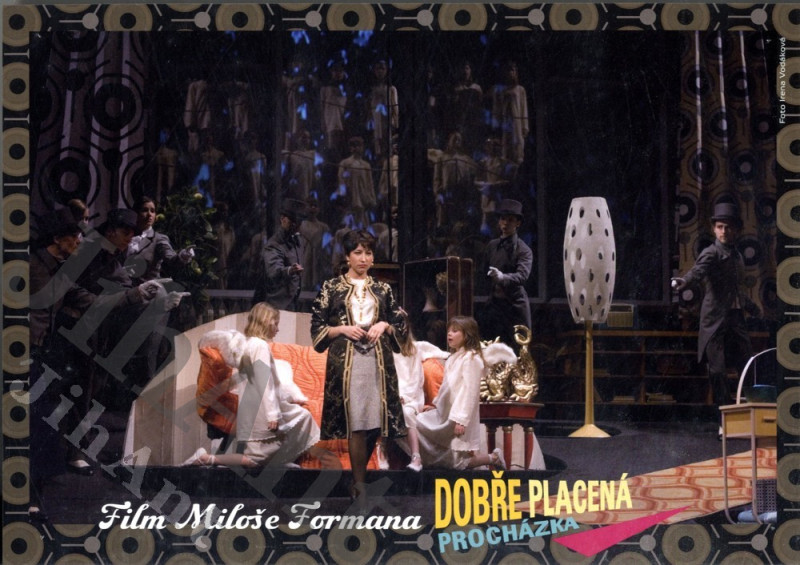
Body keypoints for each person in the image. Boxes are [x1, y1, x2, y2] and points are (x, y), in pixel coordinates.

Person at [310, 229, 407, 509]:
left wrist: (384, 325)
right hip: (348, 362)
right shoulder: (332, 288)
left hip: (377, 361)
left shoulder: (383, 289)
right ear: (347, 256)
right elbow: (317, 328)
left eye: (368, 253)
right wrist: (341, 329)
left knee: (375, 422)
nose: (363, 258)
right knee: (357, 423)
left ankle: (356, 479)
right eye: (358, 253)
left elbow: (399, 324)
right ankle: (361, 487)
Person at [186, 303, 321, 467]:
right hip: (261, 410)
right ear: (266, 322)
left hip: (253, 407)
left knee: (303, 418)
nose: (277, 329)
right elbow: (264, 381)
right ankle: (206, 458)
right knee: (254, 459)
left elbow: (252, 378)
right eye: (276, 323)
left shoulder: (250, 344)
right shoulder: (260, 346)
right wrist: (272, 413)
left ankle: (277, 462)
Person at [28, 208, 96, 518]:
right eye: (75, 236)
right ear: (58, 238)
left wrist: (138, 296)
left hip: (42, 355)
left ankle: (34, 492)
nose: (79, 241)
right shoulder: (30, 265)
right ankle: (27, 495)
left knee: (42, 422)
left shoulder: (60, 270)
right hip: (23, 353)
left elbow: (88, 299)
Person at [672, 202, 760, 431]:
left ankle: (748, 417)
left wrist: (751, 306)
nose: (724, 231)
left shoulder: (737, 256)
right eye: (720, 227)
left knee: (748, 367)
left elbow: (735, 289)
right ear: (714, 229)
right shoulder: (711, 252)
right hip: (714, 320)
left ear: (736, 229)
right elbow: (697, 271)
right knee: (718, 371)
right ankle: (725, 420)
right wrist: (684, 281)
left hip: (735, 319)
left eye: (728, 227)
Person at [414, 316, 506, 470]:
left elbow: (470, 391)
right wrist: (436, 405)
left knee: (456, 461)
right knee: (415, 423)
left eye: (455, 331)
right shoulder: (453, 358)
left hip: (457, 415)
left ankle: (493, 458)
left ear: (467, 334)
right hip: (445, 413)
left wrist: (461, 420)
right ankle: (493, 458)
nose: (449, 334)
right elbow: (446, 388)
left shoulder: (472, 359)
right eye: (449, 330)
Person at [479, 199, 533, 349]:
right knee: (491, 346)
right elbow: (483, 272)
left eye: (510, 220)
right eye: (503, 219)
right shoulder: (492, 246)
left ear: (518, 223)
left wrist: (502, 277)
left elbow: (522, 276)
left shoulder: (523, 249)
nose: (505, 223)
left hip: (515, 306)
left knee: (518, 348)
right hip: (495, 305)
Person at [125, 196, 195, 285]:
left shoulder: (158, 239)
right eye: (145, 210)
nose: (149, 214)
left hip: (149, 290)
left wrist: (184, 255)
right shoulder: (125, 236)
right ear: (136, 213)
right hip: (124, 289)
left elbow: (172, 259)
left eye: (152, 211)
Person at [256, 198, 308, 311]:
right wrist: (290, 270)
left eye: (298, 222)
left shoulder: (299, 241)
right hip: (275, 305)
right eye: (292, 222)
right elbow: (273, 271)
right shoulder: (274, 244)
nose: (295, 225)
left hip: (292, 303)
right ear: (282, 219)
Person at [491, 61, 529, 164]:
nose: (510, 73)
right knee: (506, 149)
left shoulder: (520, 89)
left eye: (513, 70)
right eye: (509, 70)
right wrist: (496, 124)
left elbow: (523, 108)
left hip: (517, 124)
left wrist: (525, 126)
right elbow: (496, 108)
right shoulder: (500, 90)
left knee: (517, 149)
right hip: (505, 123)